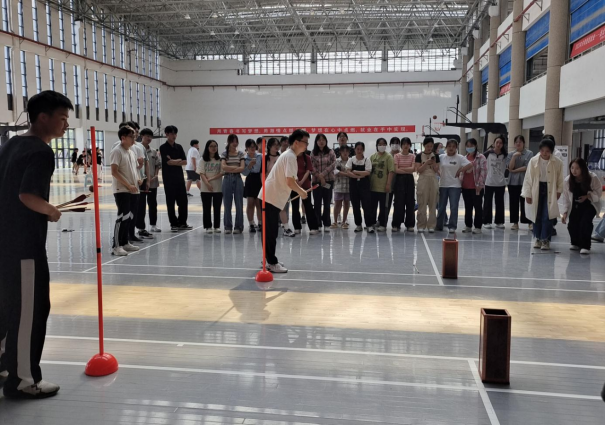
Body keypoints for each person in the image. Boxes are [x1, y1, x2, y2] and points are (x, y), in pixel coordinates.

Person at [0, 91, 72, 399]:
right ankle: (23, 380)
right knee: (30, 310)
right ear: (43, 117)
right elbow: (27, 195)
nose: (66, 125)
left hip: (4, 242)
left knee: (6, 307)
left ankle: (4, 367)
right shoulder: (41, 152)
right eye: (62, 118)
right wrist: (51, 210)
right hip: (24, 246)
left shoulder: (11, 144)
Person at [263, 130, 310, 273]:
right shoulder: (290, 156)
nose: (307, 145)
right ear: (296, 142)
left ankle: (268, 259)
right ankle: (272, 262)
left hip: (271, 196)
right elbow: (290, 181)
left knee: (270, 231)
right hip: (271, 197)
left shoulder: (288, 155)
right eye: (305, 142)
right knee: (270, 232)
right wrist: (302, 192)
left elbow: (289, 179)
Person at [522, 139, 564, 251]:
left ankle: (545, 239)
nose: (544, 153)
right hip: (536, 189)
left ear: (551, 151)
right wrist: (527, 194)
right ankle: (537, 238)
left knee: (547, 215)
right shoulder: (533, 161)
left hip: (550, 189)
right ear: (539, 150)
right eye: (542, 150)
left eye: (547, 151)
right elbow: (528, 178)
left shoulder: (557, 162)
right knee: (536, 215)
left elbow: (560, 178)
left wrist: (559, 191)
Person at [560, 158, 602, 255]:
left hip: (590, 204)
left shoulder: (592, 177)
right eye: (572, 168)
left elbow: (598, 193)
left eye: (577, 168)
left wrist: (587, 196)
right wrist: (565, 212)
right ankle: (575, 242)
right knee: (572, 224)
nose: (574, 171)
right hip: (574, 204)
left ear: (583, 168)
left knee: (585, 222)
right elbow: (566, 198)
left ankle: (585, 246)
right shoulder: (568, 180)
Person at [111, 126, 142, 256]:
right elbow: (114, 172)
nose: (134, 139)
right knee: (122, 217)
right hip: (122, 189)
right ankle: (116, 246)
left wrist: (139, 179)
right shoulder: (117, 151)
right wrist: (128, 185)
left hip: (134, 190)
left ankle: (125, 242)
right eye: (131, 137)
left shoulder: (131, 152)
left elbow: (134, 169)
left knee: (130, 217)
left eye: (134, 137)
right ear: (123, 137)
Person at [160, 125, 192, 232]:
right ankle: (173, 224)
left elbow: (185, 161)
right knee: (170, 202)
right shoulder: (163, 147)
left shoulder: (179, 147)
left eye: (175, 133)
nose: (174, 136)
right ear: (167, 134)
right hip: (168, 179)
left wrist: (174, 161)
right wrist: (178, 161)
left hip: (179, 178)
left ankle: (182, 222)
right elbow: (168, 162)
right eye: (172, 133)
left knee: (183, 201)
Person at [436, 140, 473, 233]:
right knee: (441, 207)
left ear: (456, 148)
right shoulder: (441, 157)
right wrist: (439, 173)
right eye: (449, 146)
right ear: (446, 147)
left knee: (454, 207)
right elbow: (434, 166)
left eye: (453, 146)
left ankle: (452, 226)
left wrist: (461, 170)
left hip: (455, 186)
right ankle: (439, 225)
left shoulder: (460, 158)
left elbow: (470, 164)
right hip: (443, 185)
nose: (451, 148)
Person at [137, 128, 161, 235]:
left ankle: (153, 225)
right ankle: (140, 227)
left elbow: (157, 165)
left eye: (150, 136)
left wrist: (155, 175)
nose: (149, 138)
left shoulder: (154, 152)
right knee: (141, 205)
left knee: (153, 204)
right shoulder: (137, 149)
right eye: (147, 136)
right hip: (141, 182)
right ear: (142, 136)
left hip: (152, 182)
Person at [507, 135, 534, 231]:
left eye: (520, 142)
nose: (518, 143)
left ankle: (529, 222)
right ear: (514, 144)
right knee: (513, 203)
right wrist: (514, 157)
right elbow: (510, 167)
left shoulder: (529, 153)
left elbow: (527, 167)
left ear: (524, 143)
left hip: (525, 182)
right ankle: (515, 223)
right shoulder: (511, 154)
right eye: (516, 142)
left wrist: (515, 171)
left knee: (525, 203)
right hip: (512, 182)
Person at [461, 138, 487, 234]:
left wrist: (480, 184)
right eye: (468, 146)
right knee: (468, 207)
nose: (469, 148)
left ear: (475, 146)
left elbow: (484, 171)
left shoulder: (481, 157)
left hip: (476, 187)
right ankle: (468, 225)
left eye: (471, 146)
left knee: (478, 207)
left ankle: (478, 226)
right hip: (465, 187)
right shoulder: (464, 158)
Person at [311, 133, 336, 233]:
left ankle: (326, 223)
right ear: (316, 142)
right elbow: (311, 167)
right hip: (316, 182)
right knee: (317, 203)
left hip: (328, 180)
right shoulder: (313, 153)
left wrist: (323, 175)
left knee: (327, 203)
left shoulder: (331, 152)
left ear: (326, 141)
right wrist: (320, 176)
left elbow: (333, 164)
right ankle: (317, 224)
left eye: (323, 140)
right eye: (319, 140)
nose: (321, 141)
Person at [221, 134, 246, 235]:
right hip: (227, 178)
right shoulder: (224, 154)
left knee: (239, 204)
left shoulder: (240, 154)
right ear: (229, 142)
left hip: (238, 179)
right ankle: (228, 226)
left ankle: (238, 227)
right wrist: (236, 168)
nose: (235, 144)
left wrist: (230, 168)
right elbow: (223, 167)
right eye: (232, 141)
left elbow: (242, 168)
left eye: (236, 141)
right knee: (227, 204)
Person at [347, 142, 374, 233]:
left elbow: (368, 172)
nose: (359, 151)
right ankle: (358, 225)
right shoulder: (351, 160)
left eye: (361, 149)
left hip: (364, 186)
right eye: (357, 149)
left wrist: (355, 172)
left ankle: (369, 225)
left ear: (363, 150)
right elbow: (348, 171)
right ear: (355, 149)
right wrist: (357, 175)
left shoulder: (367, 160)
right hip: (353, 186)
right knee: (355, 206)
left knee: (367, 205)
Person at [198, 140, 224, 234]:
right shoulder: (203, 159)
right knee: (206, 208)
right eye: (211, 146)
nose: (213, 148)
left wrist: (211, 178)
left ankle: (217, 226)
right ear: (207, 148)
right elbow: (201, 173)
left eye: (215, 146)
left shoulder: (220, 159)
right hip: (205, 188)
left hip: (218, 188)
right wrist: (207, 183)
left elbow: (222, 172)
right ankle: (208, 226)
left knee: (217, 208)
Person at [482, 135, 508, 230]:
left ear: (503, 145)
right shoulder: (487, 154)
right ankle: (486, 221)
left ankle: (499, 221)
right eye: (497, 142)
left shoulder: (505, 155)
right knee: (487, 202)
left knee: (500, 203)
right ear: (494, 143)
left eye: (500, 143)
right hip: (489, 182)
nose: (498, 144)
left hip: (500, 183)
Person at [292, 148, 319, 235]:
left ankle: (313, 227)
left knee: (308, 206)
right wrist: (296, 181)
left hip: (306, 186)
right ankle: (297, 227)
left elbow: (308, 171)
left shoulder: (307, 157)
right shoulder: (291, 157)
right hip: (293, 185)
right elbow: (290, 171)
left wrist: (301, 182)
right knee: (295, 206)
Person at [370, 138, 395, 232]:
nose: (382, 146)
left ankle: (383, 224)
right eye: (380, 144)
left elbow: (391, 171)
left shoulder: (388, 157)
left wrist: (388, 184)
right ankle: (372, 222)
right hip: (373, 186)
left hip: (384, 187)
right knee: (373, 207)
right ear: (377, 146)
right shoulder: (372, 156)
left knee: (384, 207)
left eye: (384, 144)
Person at [415, 137, 440, 233]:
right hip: (423, 179)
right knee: (422, 202)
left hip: (433, 179)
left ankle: (431, 225)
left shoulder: (436, 156)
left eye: (431, 146)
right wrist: (426, 163)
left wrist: (433, 163)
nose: (429, 148)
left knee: (433, 203)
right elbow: (418, 170)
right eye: (427, 146)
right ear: (424, 145)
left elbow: (437, 170)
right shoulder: (419, 156)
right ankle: (421, 224)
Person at [392, 137, 416, 232]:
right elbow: (396, 170)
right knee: (398, 202)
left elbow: (413, 169)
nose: (406, 146)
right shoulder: (397, 156)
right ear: (401, 145)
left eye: (408, 144)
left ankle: (410, 224)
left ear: (410, 145)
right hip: (399, 180)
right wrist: (407, 170)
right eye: (404, 144)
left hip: (409, 180)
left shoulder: (412, 156)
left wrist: (402, 168)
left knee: (410, 202)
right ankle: (396, 224)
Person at [243, 139, 263, 233]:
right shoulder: (244, 158)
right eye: (250, 147)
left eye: (254, 147)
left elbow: (263, 169)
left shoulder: (260, 156)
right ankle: (251, 223)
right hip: (250, 179)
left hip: (259, 179)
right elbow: (244, 173)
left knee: (258, 203)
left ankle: (260, 223)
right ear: (247, 148)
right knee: (250, 203)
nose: (252, 148)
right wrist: (250, 165)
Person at [332, 140, 351, 230]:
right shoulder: (336, 161)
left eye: (347, 151)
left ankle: (344, 222)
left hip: (348, 186)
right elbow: (335, 171)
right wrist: (347, 174)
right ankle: (335, 221)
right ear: (340, 152)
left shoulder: (351, 161)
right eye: (343, 151)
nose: (345, 153)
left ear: (349, 152)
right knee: (337, 204)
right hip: (338, 186)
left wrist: (342, 173)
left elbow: (352, 172)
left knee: (346, 204)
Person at [386, 137, 402, 222]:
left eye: (397, 143)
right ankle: (383, 221)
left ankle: (396, 223)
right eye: (393, 143)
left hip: (400, 183)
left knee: (398, 204)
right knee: (386, 203)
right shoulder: (387, 156)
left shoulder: (402, 155)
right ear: (390, 145)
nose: (395, 145)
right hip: (389, 183)